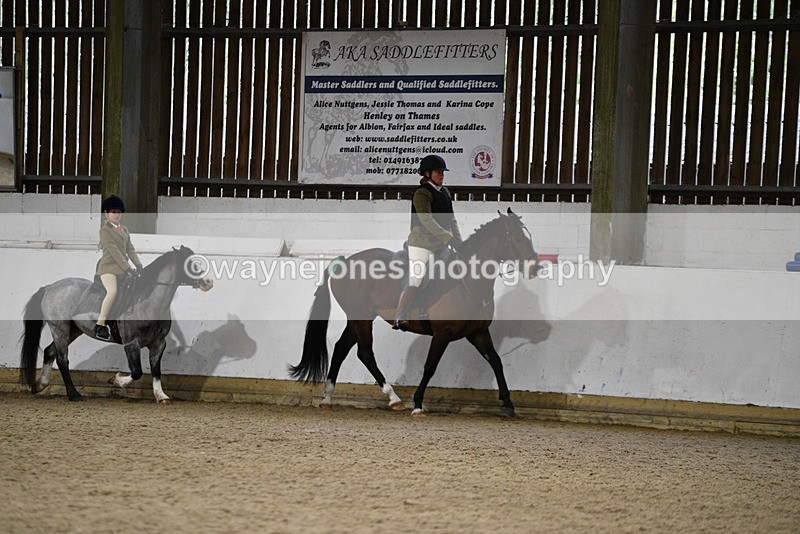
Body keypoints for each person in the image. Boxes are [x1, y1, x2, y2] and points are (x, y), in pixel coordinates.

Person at [393, 154, 462, 330]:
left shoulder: (445, 192)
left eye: (442, 172)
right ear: (427, 174)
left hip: (441, 244)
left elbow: (452, 219)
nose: (442, 175)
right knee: (416, 278)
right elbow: (427, 220)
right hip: (421, 244)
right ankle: (400, 315)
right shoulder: (422, 193)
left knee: (454, 270)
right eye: (438, 172)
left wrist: (459, 242)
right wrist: (449, 238)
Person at [94, 195, 143, 341]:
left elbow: (130, 249)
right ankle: (100, 324)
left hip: (123, 270)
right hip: (108, 269)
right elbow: (114, 251)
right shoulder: (104, 231)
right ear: (106, 214)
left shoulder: (125, 230)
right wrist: (128, 268)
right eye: (113, 212)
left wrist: (139, 265)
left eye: (119, 212)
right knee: (113, 292)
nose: (117, 215)